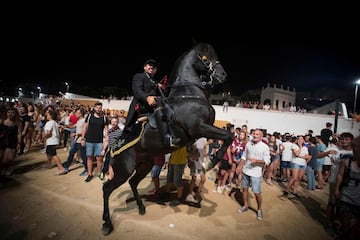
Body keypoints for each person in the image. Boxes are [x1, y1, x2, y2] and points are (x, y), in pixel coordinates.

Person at [123, 59, 180, 147]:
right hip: (141, 107)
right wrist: (147, 97)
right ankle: (167, 137)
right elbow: (137, 91)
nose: (152, 67)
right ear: (145, 67)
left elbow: (164, 96)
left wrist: (163, 89)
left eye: (154, 66)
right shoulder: (139, 76)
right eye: (149, 65)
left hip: (153, 108)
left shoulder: (156, 82)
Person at [237, 129, 270, 221]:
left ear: (261, 136)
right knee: (244, 189)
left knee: (257, 193)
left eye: (257, 134)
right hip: (245, 171)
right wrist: (240, 166)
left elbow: (267, 161)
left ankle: (259, 209)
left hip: (256, 173)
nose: (255, 135)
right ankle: (246, 205)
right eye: (254, 134)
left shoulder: (265, 147)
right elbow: (244, 156)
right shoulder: (248, 144)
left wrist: (257, 161)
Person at [81, 102, 109, 182]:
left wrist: (106, 139)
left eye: (100, 108)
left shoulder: (104, 118)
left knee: (99, 158)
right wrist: (83, 139)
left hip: (99, 141)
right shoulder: (89, 116)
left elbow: (106, 130)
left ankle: (99, 173)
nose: (98, 109)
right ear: (94, 108)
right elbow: (84, 127)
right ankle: (90, 174)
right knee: (89, 157)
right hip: (89, 140)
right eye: (97, 107)